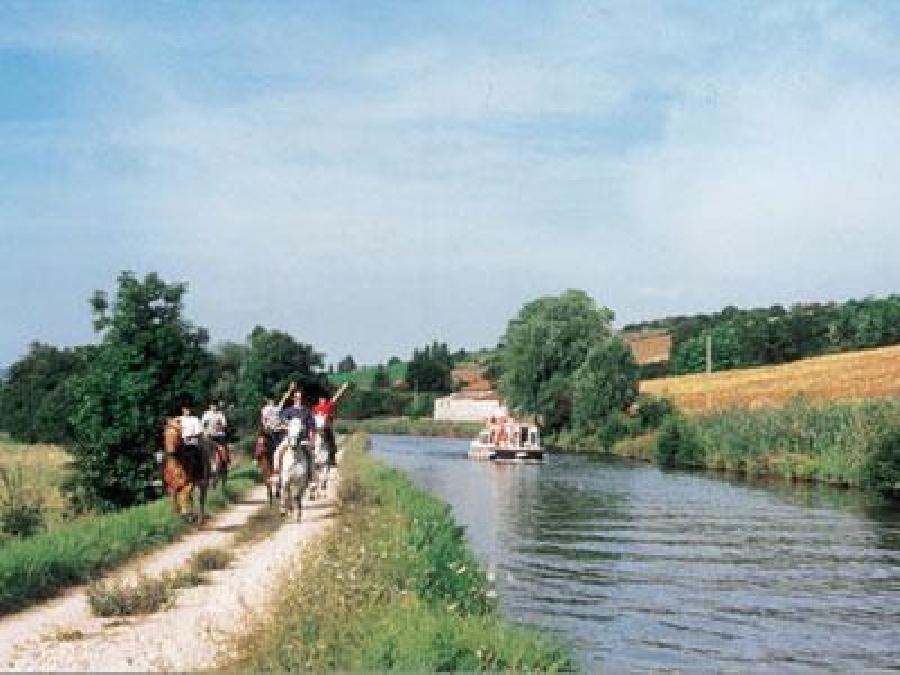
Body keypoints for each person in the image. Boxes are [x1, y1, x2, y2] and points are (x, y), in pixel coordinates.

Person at [312, 382, 350, 468]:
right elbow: (313, 418)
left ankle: (331, 461)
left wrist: (343, 388)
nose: (323, 400)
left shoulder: (328, 405)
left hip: (326, 428)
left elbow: (337, 396)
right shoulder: (315, 408)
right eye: (322, 399)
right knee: (314, 444)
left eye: (324, 399)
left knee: (332, 445)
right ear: (319, 400)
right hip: (318, 429)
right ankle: (315, 461)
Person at [202, 400, 230, 467]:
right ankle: (210, 462)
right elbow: (203, 425)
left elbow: (224, 424)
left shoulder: (220, 414)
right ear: (210, 407)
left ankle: (226, 459)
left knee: (223, 447)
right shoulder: (206, 414)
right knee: (206, 448)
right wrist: (206, 430)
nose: (214, 407)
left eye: (215, 406)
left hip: (219, 434)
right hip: (210, 435)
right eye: (212, 406)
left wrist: (220, 425)